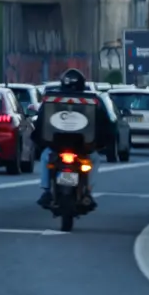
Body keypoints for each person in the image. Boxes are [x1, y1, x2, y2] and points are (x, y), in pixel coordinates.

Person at [32, 68, 113, 209]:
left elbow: (41, 122)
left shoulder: (52, 100)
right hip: (82, 148)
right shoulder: (93, 101)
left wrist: (39, 140)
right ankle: (87, 191)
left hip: (58, 146)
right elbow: (104, 124)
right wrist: (103, 142)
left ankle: (46, 191)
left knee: (46, 156)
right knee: (94, 159)